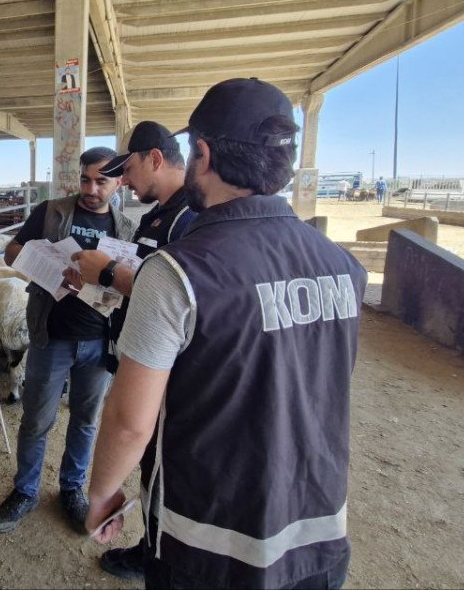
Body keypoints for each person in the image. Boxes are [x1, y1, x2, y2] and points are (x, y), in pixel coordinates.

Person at [85, 78, 367, 590]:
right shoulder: (343, 267)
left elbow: (129, 422)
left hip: (208, 542)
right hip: (318, 534)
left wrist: (103, 493)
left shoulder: (177, 273)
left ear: (205, 154)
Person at [67, 120, 196, 581]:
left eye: (128, 169)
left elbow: (172, 294)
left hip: (165, 372)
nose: (124, 180)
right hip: (139, 351)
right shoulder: (159, 214)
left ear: (155, 159)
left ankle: (160, 558)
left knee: (164, 466)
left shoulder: (189, 217)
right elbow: (142, 281)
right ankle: (151, 547)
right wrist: (100, 281)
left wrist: (106, 273)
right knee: (151, 466)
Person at [0, 147, 136, 534]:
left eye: (101, 181)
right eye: (85, 179)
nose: (90, 189)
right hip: (51, 335)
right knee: (37, 418)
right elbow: (12, 252)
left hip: (98, 341)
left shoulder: (126, 228)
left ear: (119, 183)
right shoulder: (52, 212)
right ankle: (25, 491)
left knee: (86, 421)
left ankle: (72, 490)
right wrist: (49, 264)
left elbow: (129, 282)